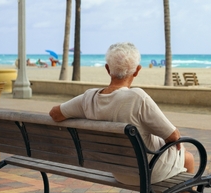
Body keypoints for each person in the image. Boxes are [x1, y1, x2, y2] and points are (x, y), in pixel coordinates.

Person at [49, 42, 194, 185]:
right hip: (148, 171)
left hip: (119, 172)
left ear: (107, 69)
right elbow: (174, 136)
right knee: (188, 158)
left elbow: (55, 114)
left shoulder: (88, 99)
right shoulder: (138, 97)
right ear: (137, 70)